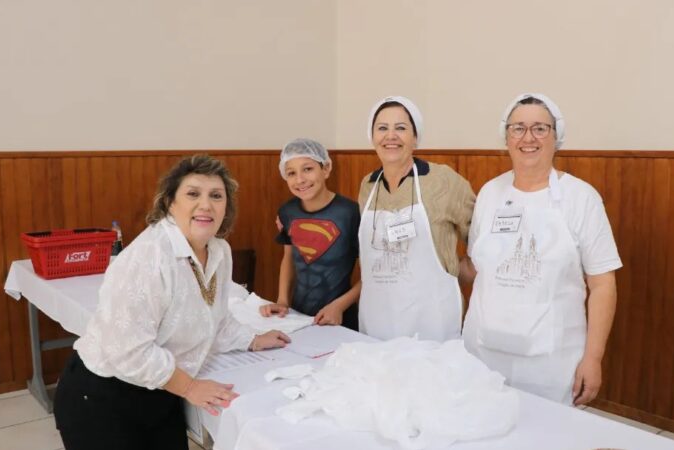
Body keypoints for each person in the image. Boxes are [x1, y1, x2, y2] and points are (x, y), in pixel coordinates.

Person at [53, 155, 291, 450]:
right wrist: (189, 387)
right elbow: (128, 350)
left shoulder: (219, 251)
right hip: (103, 397)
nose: (206, 204)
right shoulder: (149, 255)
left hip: (160, 394)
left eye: (216, 196)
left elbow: (214, 317)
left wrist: (253, 339)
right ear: (169, 203)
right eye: (193, 194)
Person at [461, 93, 622, 406]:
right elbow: (476, 267)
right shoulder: (490, 193)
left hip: (552, 364)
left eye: (540, 128)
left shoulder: (581, 198)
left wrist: (593, 358)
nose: (528, 138)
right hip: (482, 355)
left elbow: (603, 285)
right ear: (506, 137)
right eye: (517, 128)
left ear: (556, 136)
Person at [358, 96, 476, 341]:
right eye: (382, 128)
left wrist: (456, 271)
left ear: (415, 137)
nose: (391, 136)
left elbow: (480, 238)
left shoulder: (443, 180)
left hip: (433, 321)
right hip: (378, 318)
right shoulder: (368, 186)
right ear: (372, 138)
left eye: (401, 128)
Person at [259, 138, 361, 330]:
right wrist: (282, 301)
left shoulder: (350, 212)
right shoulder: (287, 212)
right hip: (299, 318)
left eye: (308, 169)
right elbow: (288, 258)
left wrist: (339, 306)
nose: (300, 180)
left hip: (341, 318)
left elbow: (370, 274)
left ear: (326, 168)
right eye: (291, 173)